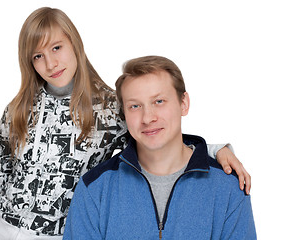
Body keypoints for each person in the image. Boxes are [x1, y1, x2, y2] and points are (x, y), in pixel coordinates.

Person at [0, 7, 250, 240]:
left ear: (74, 44)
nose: (51, 63)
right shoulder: (17, 108)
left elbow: (156, 136)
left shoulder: (109, 108)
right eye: (38, 56)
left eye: (57, 47)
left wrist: (215, 151)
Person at [64, 56, 256, 239]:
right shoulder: (94, 189)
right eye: (135, 106)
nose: (148, 118)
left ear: (184, 103)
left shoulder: (229, 188)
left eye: (159, 101)